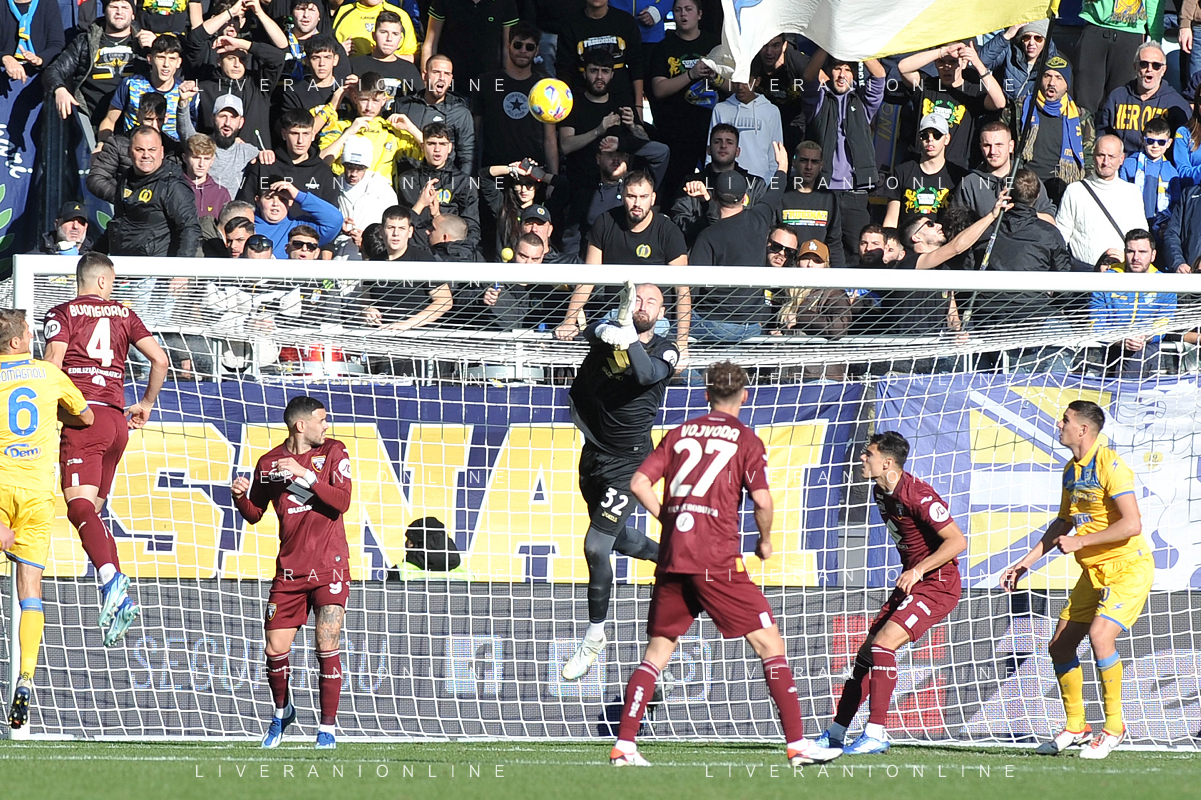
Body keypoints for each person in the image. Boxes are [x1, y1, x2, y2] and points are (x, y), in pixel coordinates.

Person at [613, 361, 841, 768]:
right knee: (770, 645)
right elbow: (763, 501)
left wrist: (668, 520)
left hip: (673, 557)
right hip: (716, 560)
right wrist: (765, 540)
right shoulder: (746, 440)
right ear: (744, 396)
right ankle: (797, 745)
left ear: (706, 395)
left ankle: (624, 746)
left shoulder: (679, 433)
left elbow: (638, 482)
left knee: (657, 653)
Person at [1001, 400, 1153, 760]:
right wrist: (1025, 564)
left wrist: (1081, 542)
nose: (1059, 424)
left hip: (1128, 568)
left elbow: (1132, 524)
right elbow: (1063, 523)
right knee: (1060, 646)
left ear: (1083, 429)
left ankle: (1114, 727)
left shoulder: (1110, 465)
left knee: (1100, 636)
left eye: (1065, 420)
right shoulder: (1071, 471)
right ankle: (1076, 726)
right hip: (1093, 573)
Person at [42, 252, 169, 646]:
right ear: (101, 280)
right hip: (117, 423)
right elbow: (160, 360)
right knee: (92, 513)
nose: (112, 288)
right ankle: (116, 592)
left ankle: (111, 580)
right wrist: (146, 404)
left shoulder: (62, 314)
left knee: (78, 507)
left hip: (84, 419)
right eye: (112, 281)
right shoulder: (125, 314)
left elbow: (52, 366)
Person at [815, 431, 966, 754]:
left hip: (938, 583)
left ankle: (876, 733)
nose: (862, 458)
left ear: (887, 462)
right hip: (913, 582)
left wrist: (918, 570)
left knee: (884, 645)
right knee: (866, 657)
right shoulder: (880, 491)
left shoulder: (918, 495)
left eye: (868, 454)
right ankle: (836, 733)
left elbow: (957, 541)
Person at [560, 283, 675, 681]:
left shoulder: (666, 350)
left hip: (630, 465)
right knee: (618, 538)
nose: (643, 305)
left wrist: (628, 339)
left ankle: (594, 636)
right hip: (593, 453)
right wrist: (606, 330)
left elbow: (645, 374)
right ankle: (672, 557)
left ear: (662, 312)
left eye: (651, 301)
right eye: (637, 298)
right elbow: (590, 332)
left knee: (596, 546)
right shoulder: (611, 333)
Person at [232, 396, 352, 750]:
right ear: (301, 425)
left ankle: (326, 730)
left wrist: (306, 476)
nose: (326, 426)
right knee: (274, 649)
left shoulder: (333, 451)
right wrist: (240, 497)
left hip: (330, 567)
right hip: (290, 572)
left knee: (326, 643)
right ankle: (282, 712)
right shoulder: (268, 463)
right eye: (321, 420)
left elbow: (342, 501)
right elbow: (254, 514)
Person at [0, 308, 93, 729]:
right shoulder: (48, 374)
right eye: (27, 331)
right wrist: (55, 412)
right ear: (17, 342)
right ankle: (26, 675)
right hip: (37, 494)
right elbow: (86, 417)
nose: (32, 335)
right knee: (30, 591)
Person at [556, 172, 690, 368]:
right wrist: (569, 321)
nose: (637, 203)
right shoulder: (605, 222)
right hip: (613, 317)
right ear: (622, 196)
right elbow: (588, 278)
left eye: (643, 197)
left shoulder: (668, 231)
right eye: (631, 196)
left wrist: (682, 343)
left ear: (653, 198)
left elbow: (682, 289)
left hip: (654, 321)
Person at [686, 143, 787, 342]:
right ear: (745, 198)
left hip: (713, 324)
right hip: (751, 326)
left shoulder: (708, 236)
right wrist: (782, 167)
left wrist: (706, 202)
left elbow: (692, 290)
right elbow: (775, 191)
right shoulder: (759, 219)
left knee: (666, 327)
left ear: (715, 197)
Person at [801, 49, 886, 264]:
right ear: (829, 72)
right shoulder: (820, 98)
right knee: (819, 250)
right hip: (823, 190)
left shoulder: (863, 100)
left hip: (855, 192)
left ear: (854, 75)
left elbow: (879, 76)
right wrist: (827, 44)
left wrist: (858, 46)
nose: (842, 75)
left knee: (858, 252)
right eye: (837, 68)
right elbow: (808, 77)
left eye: (848, 70)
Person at [647, 0, 721, 205]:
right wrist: (691, 74)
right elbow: (658, 89)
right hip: (676, 129)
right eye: (678, 10)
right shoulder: (664, 47)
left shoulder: (714, 44)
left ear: (700, 14)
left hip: (711, 126)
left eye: (689, 9)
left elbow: (734, 86)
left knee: (715, 183)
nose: (683, 14)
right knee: (675, 187)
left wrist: (716, 77)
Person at [896, 40, 1005, 170]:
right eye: (941, 62)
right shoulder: (926, 85)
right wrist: (942, 52)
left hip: (954, 170)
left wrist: (978, 64)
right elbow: (903, 67)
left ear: (964, 63)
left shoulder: (972, 92)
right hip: (919, 165)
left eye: (953, 62)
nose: (947, 67)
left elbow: (999, 102)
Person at [472, 22, 559, 176]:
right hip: (493, 172)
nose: (523, 51)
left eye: (529, 47)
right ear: (508, 46)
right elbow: (474, 135)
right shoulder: (485, 82)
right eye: (518, 45)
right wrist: (472, 175)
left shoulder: (545, 87)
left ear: (537, 51)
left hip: (532, 173)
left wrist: (553, 179)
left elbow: (550, 139)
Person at [1090, 229, 1177, 377]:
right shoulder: (1106, 280)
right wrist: (1120, 340)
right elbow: (1096, 322)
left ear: (1153, 255)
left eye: (1142, 252)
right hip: (1108, 348)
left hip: (1147, 351)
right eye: (1131, 252)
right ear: (1125, 253)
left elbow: (1164, 323)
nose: (1136, 257)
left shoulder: (1165, 284)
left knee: (1140, 354)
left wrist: (1146, 336)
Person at [43, 0, 145, 128]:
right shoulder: (85, 41)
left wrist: (154, 47)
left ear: (133, 14)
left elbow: (164, 72)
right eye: (114, 7)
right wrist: (59, 89)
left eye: (125, 7)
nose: (119, 12)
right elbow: (53, 70)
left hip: (134, 123)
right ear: (104, 11)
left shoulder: (144, 43)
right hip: (92, 120)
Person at [104, 126, 202, 258]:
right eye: (139, 149)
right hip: (122, 263)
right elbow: (117, 223)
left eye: (152, 150)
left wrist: (180, 269)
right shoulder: (125, 179)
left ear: (161, 152)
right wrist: (94, 254)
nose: (146, 155)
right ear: (129, 152)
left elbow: (190, 228)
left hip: (156, 266)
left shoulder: (173, 185)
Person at [1055, 134, 1148, 269]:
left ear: (1121, 159)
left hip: (1121, 272)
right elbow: (1061, 236)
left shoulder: (1132, 192)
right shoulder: (1074, 191)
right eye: (1101, 155)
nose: (1105, 162)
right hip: (1084, 272)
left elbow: (1141, 237)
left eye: (1111, 156)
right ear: (1093, 156)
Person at [317, 72, 424, 184]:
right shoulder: (340, 126)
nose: (369, 107)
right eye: (364, 100)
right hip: (344, 191)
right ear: (355, 98)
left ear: (384, 101)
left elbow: (430, 153)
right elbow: (321, 163)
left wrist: (411, 128)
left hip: (380, 193)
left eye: (375, 101)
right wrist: (348, 133)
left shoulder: (391, 130)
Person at [1016, 55, 1094, 204]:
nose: (1052, 83)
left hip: (1063, 189)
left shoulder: (1081, 117)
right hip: (1025, 188)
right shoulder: (1021, 109)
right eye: (1047, 76)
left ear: (1067, 84)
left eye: (1059, 78)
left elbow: (1088, 158)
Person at [670, 124, 766, 246]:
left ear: (737, 151)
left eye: (729, 142)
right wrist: (707, 221)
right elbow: (679, 223)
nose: (723, 146)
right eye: (717, 141)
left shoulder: (755, 184)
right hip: (702, 250)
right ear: (708, 150)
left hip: (742, 251)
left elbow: (763, 224)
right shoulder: (691, 182)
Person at [395, 120, 480, 249]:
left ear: (450, 147)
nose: (437, 149)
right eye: (431, 143)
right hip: (414, 249)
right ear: (422, 146)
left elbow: (471, 227)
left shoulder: (463, 182)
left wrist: (461, 253)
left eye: (442, 144)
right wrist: (421, 203)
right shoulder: (407, 180)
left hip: (450, 251)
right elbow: (398, 223)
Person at [1097, 42, 1189, 157]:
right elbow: (1103, 134)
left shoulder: (1176, 103)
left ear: (1163, 70)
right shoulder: (1117, 97)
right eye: (1143, 64)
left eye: (1156, 65)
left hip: (1160, 165)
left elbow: (1184, 144)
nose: (1149, 69)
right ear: (1135, 67)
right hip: (1121, 163)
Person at [953, 121, 1056, 223]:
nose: (993, 151)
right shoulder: (970, 183)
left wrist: (1022, 214)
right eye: (987, 145)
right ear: (981, 147)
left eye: (999, 145)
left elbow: (1050, 221)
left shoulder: (1027, 179)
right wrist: (992, 216)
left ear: (1011, 146)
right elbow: (956, 226)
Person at [1074, 0, 1165, 114]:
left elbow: (1154, 2)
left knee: (1121, 100)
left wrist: (1156, 39)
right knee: (1084, 98)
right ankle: (1083, 125)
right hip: (1094, 27)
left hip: (1130, 33)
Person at [99, 34, 193, 144]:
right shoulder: (130, 84)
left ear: (179, 62)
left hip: (172, 151)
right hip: (132, 148)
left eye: (172, 59)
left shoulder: (186, 93)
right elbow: (110, 120)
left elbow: (191, 132)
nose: (166, 64)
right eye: (161, 57)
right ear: (150, 59)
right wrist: (102, 145)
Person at [883, 113, 967, 231]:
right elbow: (891, 220)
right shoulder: (902, 172)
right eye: (925, 135)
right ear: (919, 138)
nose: (930, 139)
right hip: (907, 240)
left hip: (944, 241)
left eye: (937, 135)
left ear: (947, 139)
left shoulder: (958, 176)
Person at [391, 54, 474, 173]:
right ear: (425, 76)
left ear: (451, 78)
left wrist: (463, 183)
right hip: (405, 176)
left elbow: (467, 155)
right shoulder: (404, 105)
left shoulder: (459, 112)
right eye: (436, 72)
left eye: (447, 74)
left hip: (442, 179)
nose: (442, 78)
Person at [241, 108, 339, 206]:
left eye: (306, 133)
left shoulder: (323, 172)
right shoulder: (264, 165)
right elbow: (244, 206)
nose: (300, 140)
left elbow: (331, 212)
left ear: (313, 135)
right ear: (284, 134)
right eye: (295, 133)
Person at [556, 0, 644, 109]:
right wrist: (565, 106)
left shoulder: (625, 21)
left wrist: (639, 105)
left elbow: (636, 66)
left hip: (621, 99)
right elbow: (564, 69)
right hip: (581, 100)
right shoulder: (570, 24)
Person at [423, 0, 519, 90]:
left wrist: (508, 84)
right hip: (449, 84)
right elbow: (430, 44)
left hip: (489, 84)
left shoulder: (505, 2)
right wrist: (426, 82)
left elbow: (508, 48)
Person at [178, 94, 261, 196]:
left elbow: (267, 161)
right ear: (213, 118)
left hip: (232, 206)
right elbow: (184, 129)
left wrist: (266, 154)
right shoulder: (202, 144)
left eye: (233, 117)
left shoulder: (247, 151)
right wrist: (183, 102)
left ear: (241, 122)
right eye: (222, 116)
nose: (227, 123)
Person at [779, 140, 844, 266]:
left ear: (821, 165)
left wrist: (839, 275)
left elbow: (834, 242)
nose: (809, 167)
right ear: (794, 162)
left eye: (814, 162)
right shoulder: (781, 195)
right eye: (804, 160)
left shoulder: (828, 198)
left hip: (817, 267)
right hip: (786, 267)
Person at [706, 77, 782, 183]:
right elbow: (712, 148)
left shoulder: (771, 111)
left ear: (757, 81)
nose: (740, 87)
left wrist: (772, 183)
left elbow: (775, 154)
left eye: (746, 82)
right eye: (737, 81)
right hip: (724, 182)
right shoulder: (720, 109)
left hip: (760, 183)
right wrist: (710, 179)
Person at [1118, 116, 1179, 242]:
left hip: (1160, 227)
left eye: (1161, 142)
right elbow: (1121, 194)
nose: (1155, 146)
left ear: (1169, 143)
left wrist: (1166, 224)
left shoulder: (1172, 173)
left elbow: (1175, 204)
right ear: (1142, 140)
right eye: (1150, 141)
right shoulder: (1130, 164)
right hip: (1132, 222)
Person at [348, 10, 424, 107]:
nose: (389, 39)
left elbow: (419, 104)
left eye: (395, 34)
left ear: (400, 39)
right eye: (383, 32)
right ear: (374, 35)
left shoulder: (409, 69)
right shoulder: (354, 65)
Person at [749, 33, 809, 152]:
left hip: (795, 121)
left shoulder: (799, 62)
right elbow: (737, 89)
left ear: (785, 45)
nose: (769, 52)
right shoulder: (752, 61)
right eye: (764, 45)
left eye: (775, 46)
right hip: (762, 118)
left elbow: (824, 84)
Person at [253, 179, 344, 254]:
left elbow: (335, 220)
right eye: (269, 198)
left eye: (282, 199)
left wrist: (298, 195)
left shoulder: (300, 228)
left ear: (291, 202)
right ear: (258, 200)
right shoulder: (248, 224)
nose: (275, 203)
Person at [977, 19, 1058, 102]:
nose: (1031, 43)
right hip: (1005, 107)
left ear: (1046, 41)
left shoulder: (1053, 63)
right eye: (1026, 37)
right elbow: (980, 62)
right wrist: (1006, 36)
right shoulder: (1010, 51)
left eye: (1038, 38)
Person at [336, 136, 398, 243]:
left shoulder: (383, 188)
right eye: (350, 168)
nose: (354, 174)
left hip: (371, 250)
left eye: (359, 169)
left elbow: (393, 224)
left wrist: (367, 240)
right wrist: (338, 224)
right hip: (338, 249)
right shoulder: (333, 185)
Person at [332, 0, 418, 61]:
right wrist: (340, 51)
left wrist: (386, 57)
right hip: (353, 75)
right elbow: (327, 52)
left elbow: (412, 57)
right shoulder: (342, 12)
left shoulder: (400, 15)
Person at [183, 134, 231, 223]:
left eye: (206, 159)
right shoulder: (174, 187)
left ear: (212, 160)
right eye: (196, 158)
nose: (201, 164)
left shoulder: (221, 193)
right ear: (185, 158)